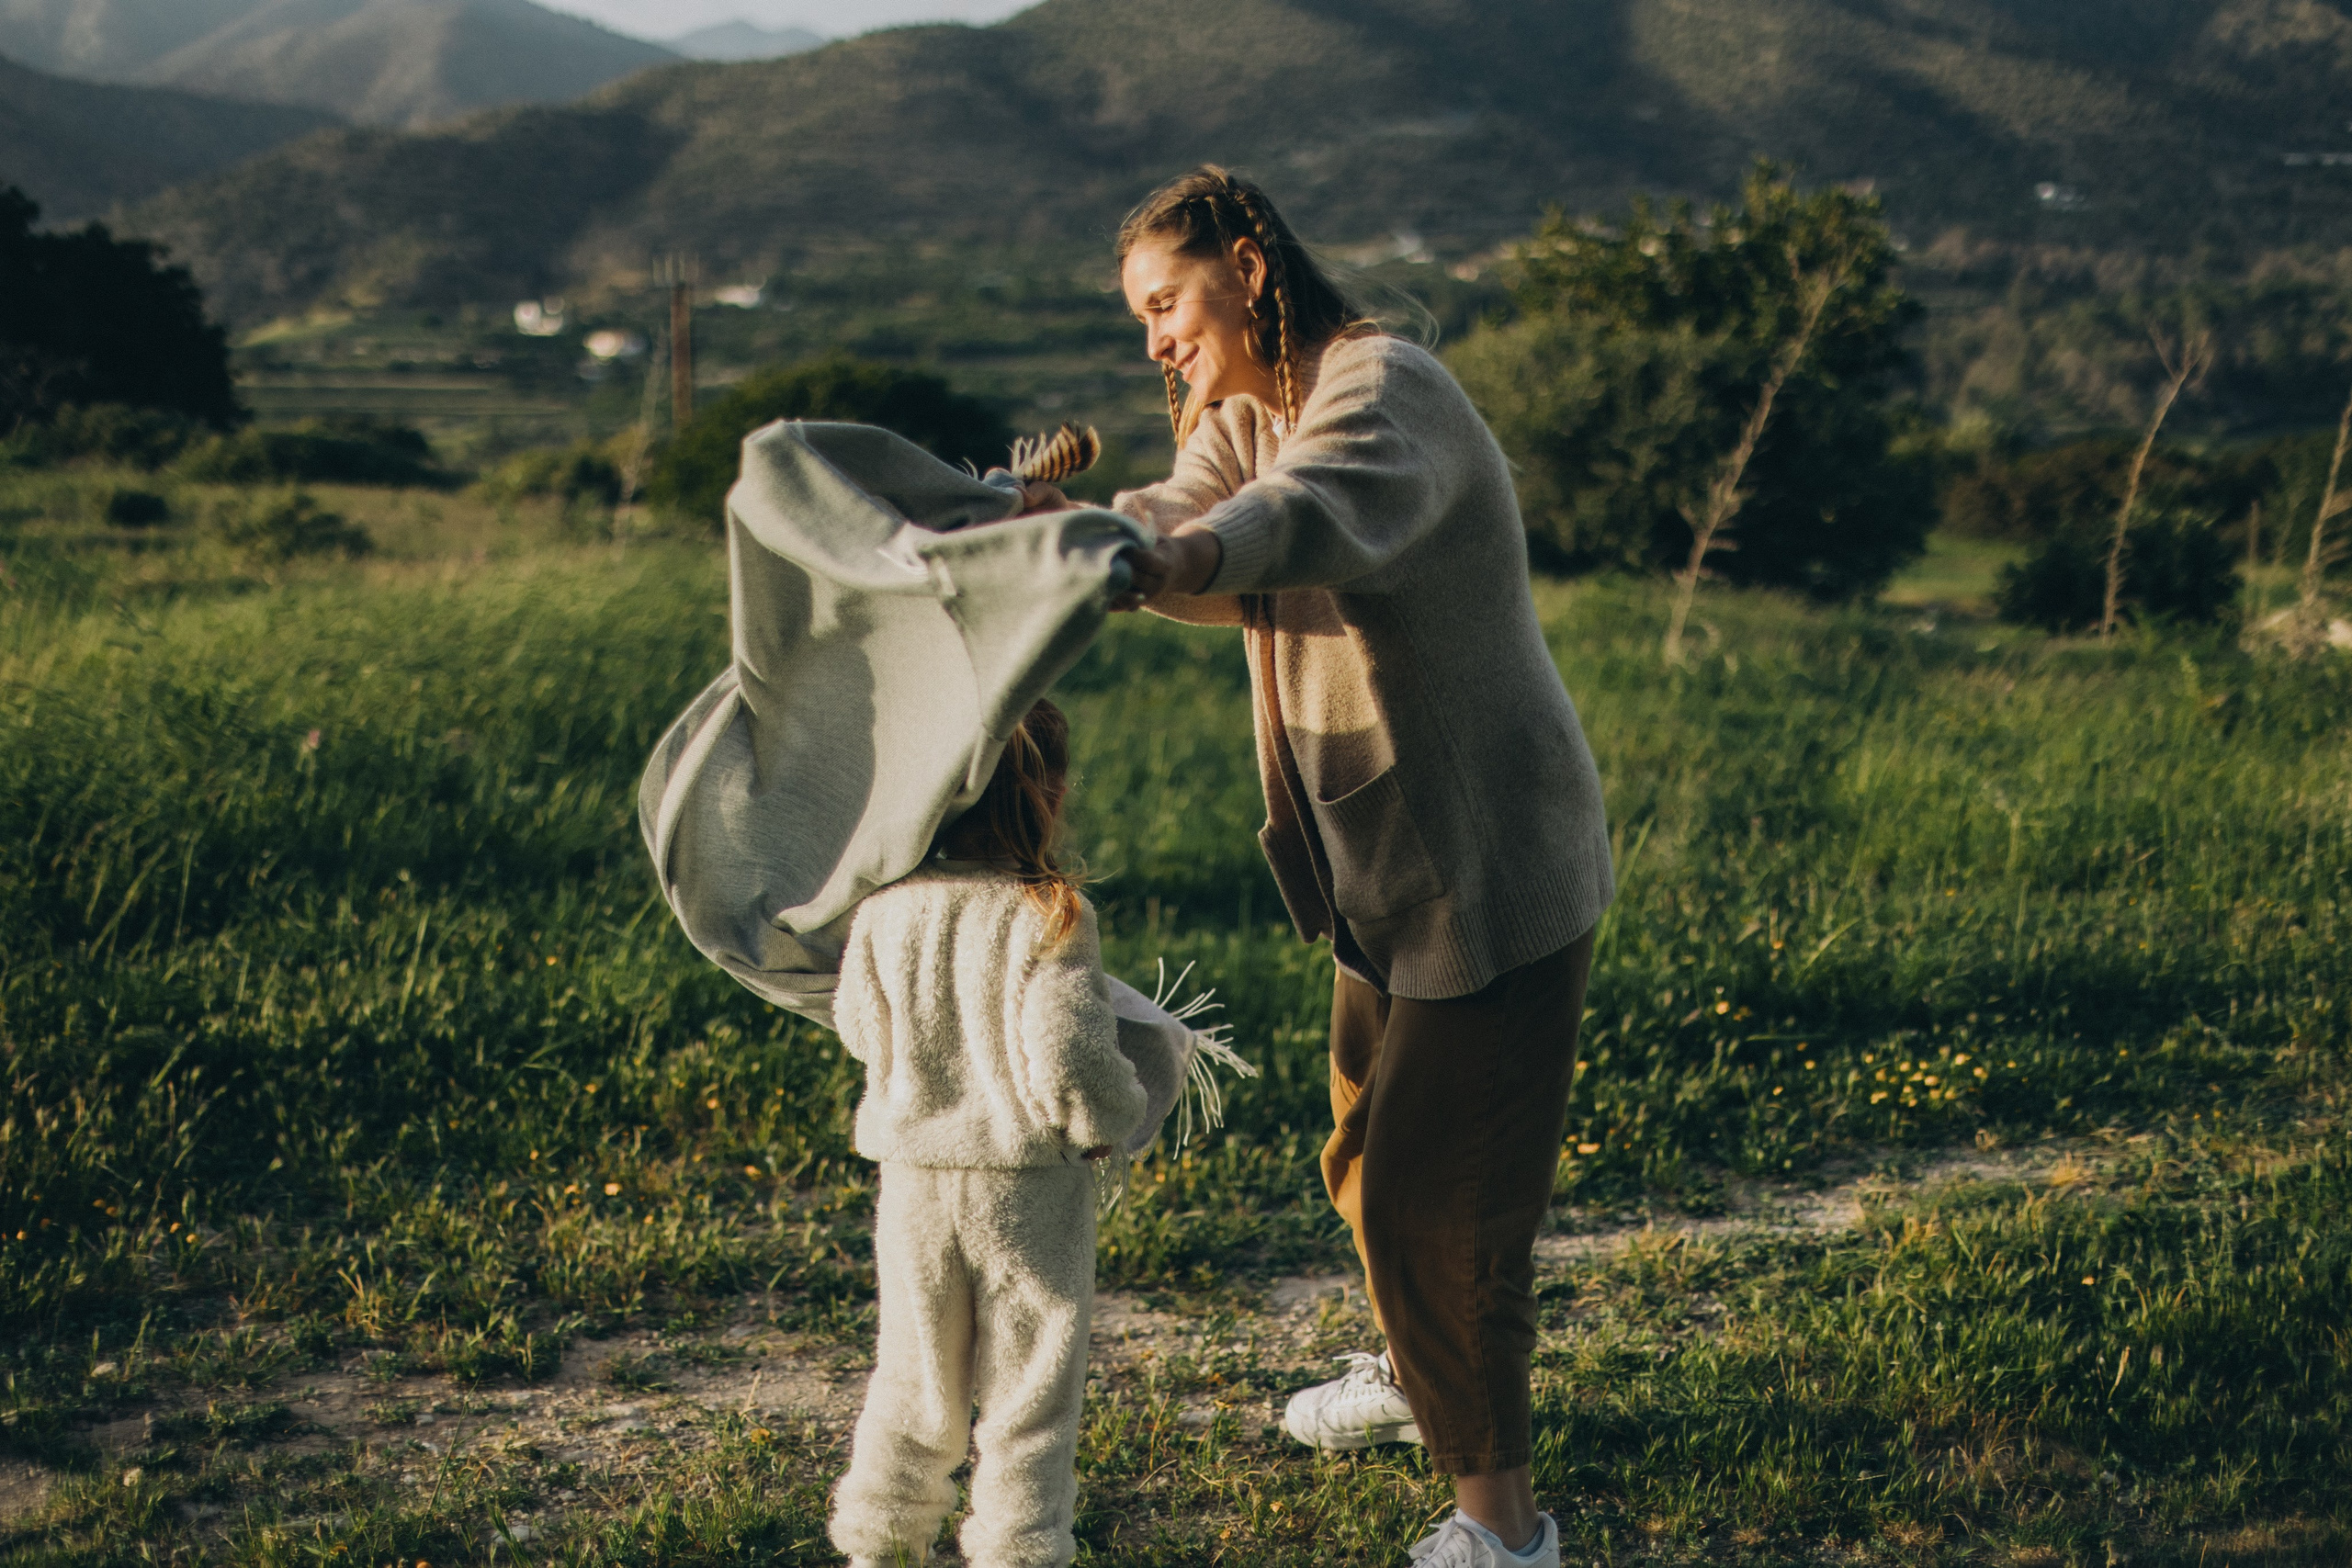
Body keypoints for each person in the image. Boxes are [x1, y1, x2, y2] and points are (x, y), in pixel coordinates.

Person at [1095, 166, 1615, 1568]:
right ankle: (1413, 1374)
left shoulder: (1385, 384)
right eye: (1139, 316)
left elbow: (1312, 512)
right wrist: (1064, 541)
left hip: (1487, 864)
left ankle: (1504, 1530)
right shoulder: (1246, 410)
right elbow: (1186, 502)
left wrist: (1186, 546)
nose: (1154, 338)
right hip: (1378, 866)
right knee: (1362, 1148)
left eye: (1167, 301)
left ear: (1248, 266)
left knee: (1439, 1203)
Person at [826, 699, 1148, 1568]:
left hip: (915, 1180)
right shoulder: (1051, 912)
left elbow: (859, 1024)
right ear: (1048, 790)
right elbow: (1072, 1052)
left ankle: (881, 1545)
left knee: (915, 1375)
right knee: (1031, 1388)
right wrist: (1112, 1117)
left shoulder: (884, 910)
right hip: (1026, 1188)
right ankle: (1018, 1550)